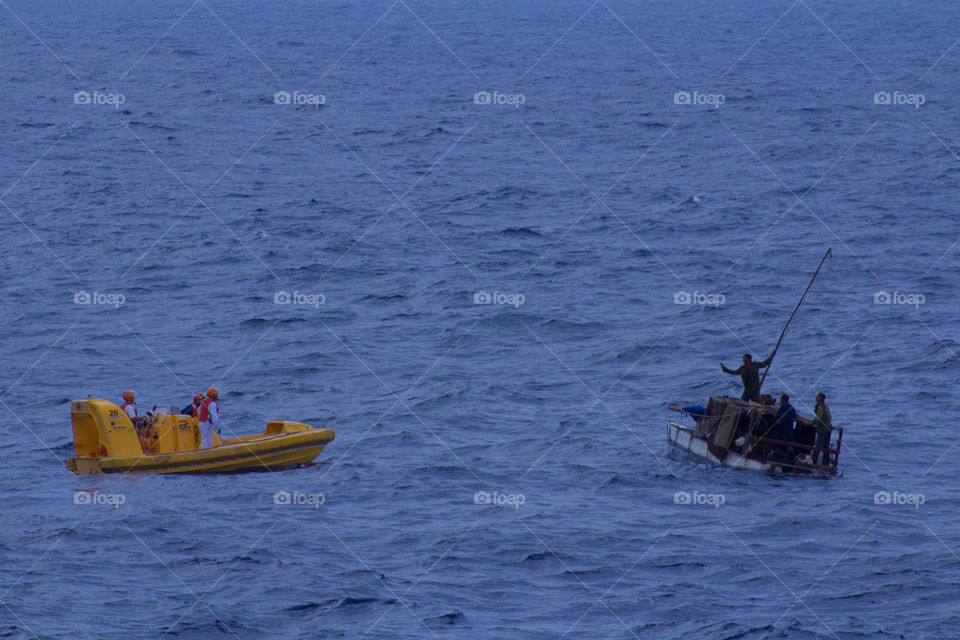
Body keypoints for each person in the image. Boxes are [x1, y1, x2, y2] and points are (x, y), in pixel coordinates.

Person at [811, 392, 833, 466]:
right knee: (826, 447)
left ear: (820, 398)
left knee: (818, 446)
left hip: (823, 428)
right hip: (828, 427)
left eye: (817, 396)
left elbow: (819, 418)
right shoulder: (826, 405)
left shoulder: (820, 406)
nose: (816, 397)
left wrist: (811, 423)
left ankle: (813, 463)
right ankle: (826, 464)